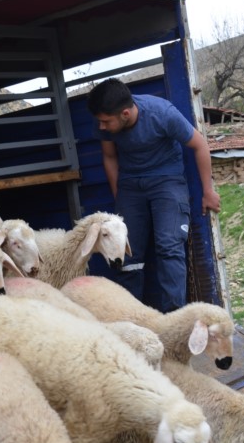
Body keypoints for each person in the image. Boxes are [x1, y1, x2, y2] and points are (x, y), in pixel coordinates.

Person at [86, 78, 221, 313]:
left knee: (169, 247)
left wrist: (208, 191)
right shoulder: (107, 122)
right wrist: (120, 195)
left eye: (106, 122)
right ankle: (131, 319)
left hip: (167, 180)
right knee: (125, 252)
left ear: (125, 113)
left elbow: (200, 145)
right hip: (130, 185)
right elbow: (109, 157)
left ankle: (174, 319)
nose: (102, 128)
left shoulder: (162, 113)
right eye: (100, 122)